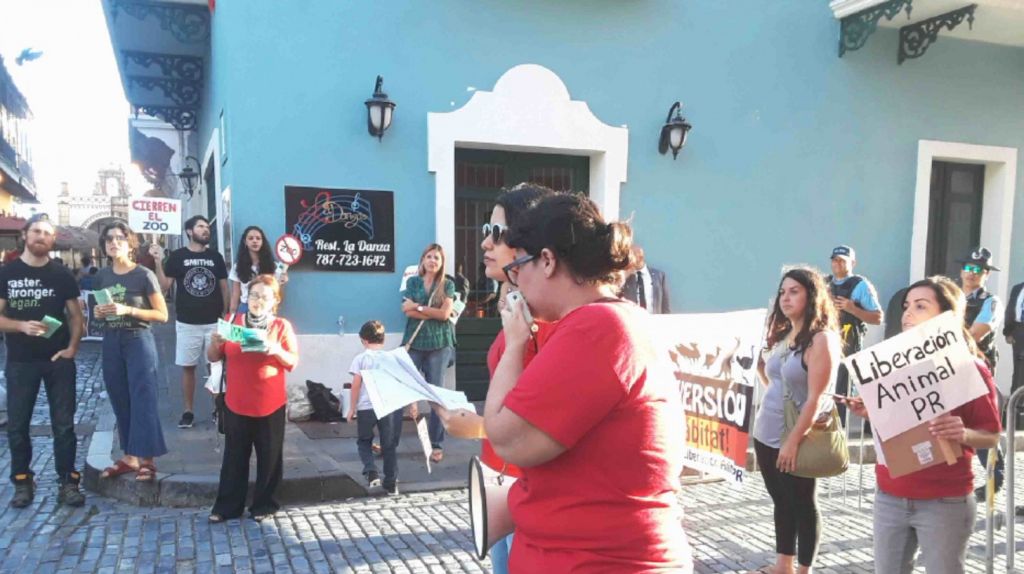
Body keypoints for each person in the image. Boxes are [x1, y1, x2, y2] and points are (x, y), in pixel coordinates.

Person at [484, 192, 692, 572]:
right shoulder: (610, 321)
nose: (518, 284)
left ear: (546, 261)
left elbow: (508, 438)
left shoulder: (597, 327)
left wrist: (515, 343)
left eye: (520, 270)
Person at [847, 276, 1001, 574]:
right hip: (890, 496)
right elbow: (897, 428)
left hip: (944, 501)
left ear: (945, 315)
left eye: (920, 306)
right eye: (906, 306)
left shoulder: (969, 367)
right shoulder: (888, 365)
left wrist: (964, 433)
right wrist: (871, 412)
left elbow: (991, 436)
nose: (907, 313)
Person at [478, 182, 555, 572]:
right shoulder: (513, 304)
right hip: (503, 475)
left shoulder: (540, 316)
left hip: (527, 485)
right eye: (484, 232)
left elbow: (538, 414)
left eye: (496, 233)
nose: (485, 245)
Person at [751, 266, 841, 574]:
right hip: (766, 432)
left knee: (803, 503)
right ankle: (783, 566)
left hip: (797, 436)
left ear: (811, 295)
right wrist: (760, 364)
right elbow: (776, 384)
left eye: (794, 292)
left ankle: (804, 570)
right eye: (782, 292)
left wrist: (792, 443)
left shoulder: (821, 340)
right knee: (781, 501)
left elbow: (815, 398)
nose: (785, 298)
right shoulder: (784, 333)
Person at [0, 213, 85, 507]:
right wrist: (20, 326)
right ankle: (22, 481)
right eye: (36, 231)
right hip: (21, 362)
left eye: (47, 233)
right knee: (18, 425)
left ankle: (68, 482)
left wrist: (72, 347)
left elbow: (76, 316)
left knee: (64, 425)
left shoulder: (61, 275)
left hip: (57, 360)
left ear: (52, 240)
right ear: (25, 235)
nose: (41, 237)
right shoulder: (7, 273)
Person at [207, 275, 297, 522]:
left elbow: (292, 362)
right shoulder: (231, 321)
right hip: (237, 401)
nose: (258, 300)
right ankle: (227, 507)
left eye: (265, 297)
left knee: (269, 457)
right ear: (247, 296)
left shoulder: (281, 327)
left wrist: (275, 349)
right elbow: (214, 356)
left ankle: (264, 505)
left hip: (270, 402)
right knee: (234, 457)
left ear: (274, 302)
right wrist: (214, 343)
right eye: (254, 294)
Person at [93, 222, 169, 482]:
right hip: (112, 340)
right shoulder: (102, 276)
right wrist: (98, 313)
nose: (114, 242)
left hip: (138, 339)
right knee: (119, 397)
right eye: (109, 239)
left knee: (142, 398)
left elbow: (162, 314)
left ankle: (147, 459)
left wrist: (129, 310)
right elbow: (102, 313)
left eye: (120, 238)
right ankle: (130, 456)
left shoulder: (143, 275)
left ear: (130, 243)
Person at [151, 215, 229, 429]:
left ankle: (218, 409)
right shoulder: (178, 256)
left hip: (214, 321)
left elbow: (223, 287)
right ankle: (188, 410)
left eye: (207, 227)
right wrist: (158, 262)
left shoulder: (216, 257)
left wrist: (227, 315)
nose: (206, 230)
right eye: (201, 226)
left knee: (215, 366)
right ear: (189, 231)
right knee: (188, 367)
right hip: (187, 323)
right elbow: (164, 285)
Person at [400, 243, 456, 463]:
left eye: (437, 258)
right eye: (429, 257)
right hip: (414, 343)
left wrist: (420, 308)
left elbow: (445, 315)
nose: (433, 261)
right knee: (404, 390)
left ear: (442, 263)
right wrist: (426, 311)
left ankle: (436, 444)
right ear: (422, 259)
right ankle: (390, 441)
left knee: (435, 396)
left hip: (439, 344)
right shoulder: (412, 282)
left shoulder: (447, 285)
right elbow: (406, 310)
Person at [956, 247, 1004, 501]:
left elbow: (977, 331)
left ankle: (995, 475)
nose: (971, 273)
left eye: (977, 270)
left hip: (976, 366)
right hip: (947, 366)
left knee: (980, 422)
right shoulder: (949, 296)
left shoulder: (990, 301)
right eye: (967, 268)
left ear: (985, 274)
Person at [826, 245, 882, 427]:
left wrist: (852, 308)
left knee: (841, 389)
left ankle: (838, 432)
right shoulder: (824, 284)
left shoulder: (860, 286)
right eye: (835, 260)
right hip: (824, 343)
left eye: (843, 260)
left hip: (849, 344)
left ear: (852, 263)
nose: (838, 264)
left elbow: (877, 317)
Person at [346, 320, 401, 496]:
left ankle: (371, 472)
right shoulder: (391, 358)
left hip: (365, 407)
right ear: (383, 340)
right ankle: (391, 483)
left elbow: (356, 385)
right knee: (389, 444)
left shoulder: (360, 359)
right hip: (386, 406)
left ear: (363, 340)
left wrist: (351, 408)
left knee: (364, 441)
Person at [228, 226, 287, 316]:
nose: (255, 241)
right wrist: (232, 315)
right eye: (251, 238)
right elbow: (235, 295)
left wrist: (283, 280)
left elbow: (276, 292)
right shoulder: (238, 267)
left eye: (258, 238)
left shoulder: (274, 266)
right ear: (245, 242)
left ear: (262, 242)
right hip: (245, 308)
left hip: (265, 308)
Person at [621, 247, 672, 313]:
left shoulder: (659, 275)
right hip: (633, 319)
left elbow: (665, 304)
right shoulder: (626, 276)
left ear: (640, 257)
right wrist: (625, 275)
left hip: (654, 319)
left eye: (630, 257)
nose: (627, 260)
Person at [1005, 276, 1024, 430]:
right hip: (1018, 331)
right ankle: (1014, 410)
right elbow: (1011, 309)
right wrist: (1008, 331)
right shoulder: (1018, 288)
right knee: (1018, 371)